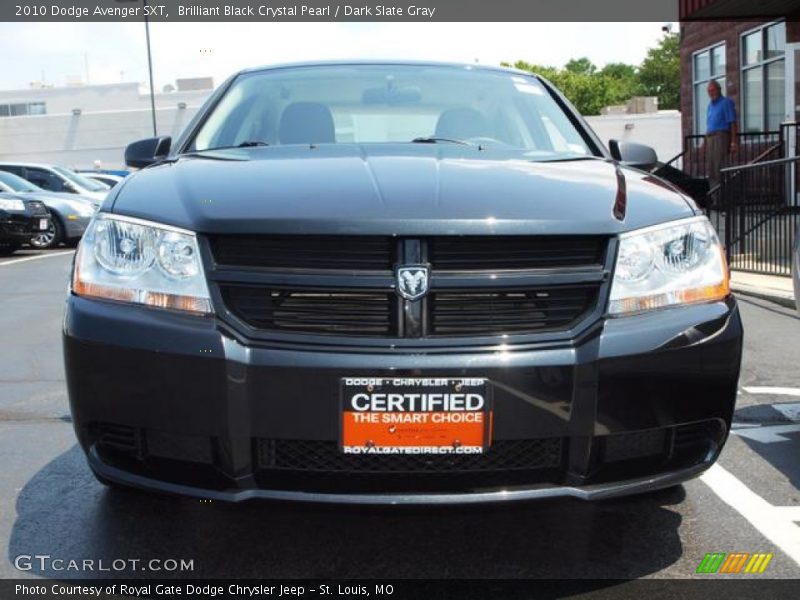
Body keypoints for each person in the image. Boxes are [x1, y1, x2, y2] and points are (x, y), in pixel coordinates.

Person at [705, 79, 738, 189]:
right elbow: (710, 123)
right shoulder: (710, 106)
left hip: (720, 137)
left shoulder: (726, 103)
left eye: (713, 90)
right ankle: (714, 197)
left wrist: (733, 142)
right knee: (711, 169)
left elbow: (732, 122)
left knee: (719, 167)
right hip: (710, 137)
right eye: (709, 91)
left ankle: (721, 198)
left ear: (719, 90)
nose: (711, 93)